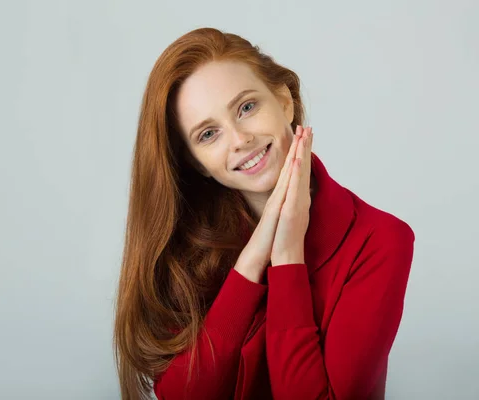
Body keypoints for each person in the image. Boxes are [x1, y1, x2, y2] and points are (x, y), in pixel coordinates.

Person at [113, 27, 415, 400]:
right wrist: (254, 258)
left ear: (284, 101)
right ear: (197, 164)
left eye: (246, 107)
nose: (240, 140)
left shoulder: (382, 239)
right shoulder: (184, 246)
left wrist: (288, 256)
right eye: (208, 134)